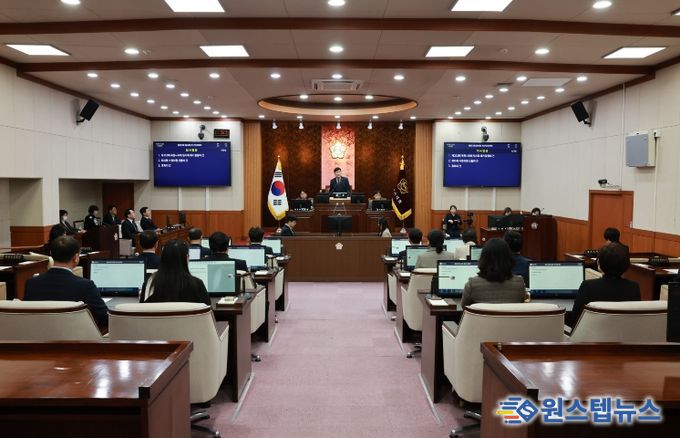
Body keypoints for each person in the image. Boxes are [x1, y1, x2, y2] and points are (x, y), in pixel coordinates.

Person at [24, 236, 109, 329]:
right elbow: (105, 319)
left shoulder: (32, 284)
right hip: (76, 337)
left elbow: (27, 317)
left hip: (40, 336)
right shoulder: (86, 286)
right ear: (76, 258)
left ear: (51, 254)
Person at [567, 242, 640, 327]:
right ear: (626, 265)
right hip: (622, 334)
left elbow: (574, 320)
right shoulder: (634, 287)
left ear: (599, 264)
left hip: (592, 334)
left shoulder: (588, 286)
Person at [460, 238, 526, 308]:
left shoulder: (472, 284)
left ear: (483, 259)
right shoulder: (519, 283)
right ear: (508, 258)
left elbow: (464, 307)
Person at [141, 239, 210, 305]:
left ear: (163, 257)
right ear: (187, 258)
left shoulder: (149, 283)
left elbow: (142, 309)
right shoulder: (197, 284)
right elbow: (207, 309)